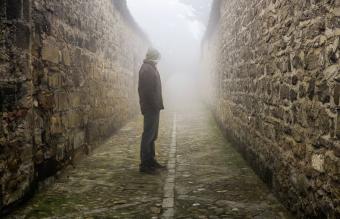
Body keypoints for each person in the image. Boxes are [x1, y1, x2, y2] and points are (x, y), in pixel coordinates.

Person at [138, 48, 166, 174]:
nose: (158, 60)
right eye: (157, 57)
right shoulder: (147, 69)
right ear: (152, 57)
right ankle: (145, 164)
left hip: (154, 107)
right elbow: (148, 92)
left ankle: (151, 160)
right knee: (148, 135)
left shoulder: (151, 67)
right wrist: (154, 106)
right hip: (151, 108)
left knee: (152, 135)